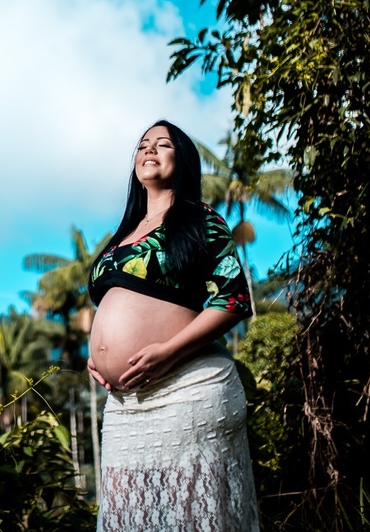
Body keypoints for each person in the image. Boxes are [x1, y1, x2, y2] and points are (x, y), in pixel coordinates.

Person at [87, 120, 259, 532]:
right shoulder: (121, 236)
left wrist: (169, 351)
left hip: (187, 390)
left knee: (189, 516)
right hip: (126, 405)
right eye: (143, 144)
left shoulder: (200, 219)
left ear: (182, 161)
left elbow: (233, 299)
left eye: (163, 145)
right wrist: (99, 360)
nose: (150, 150)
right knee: (127, 515)